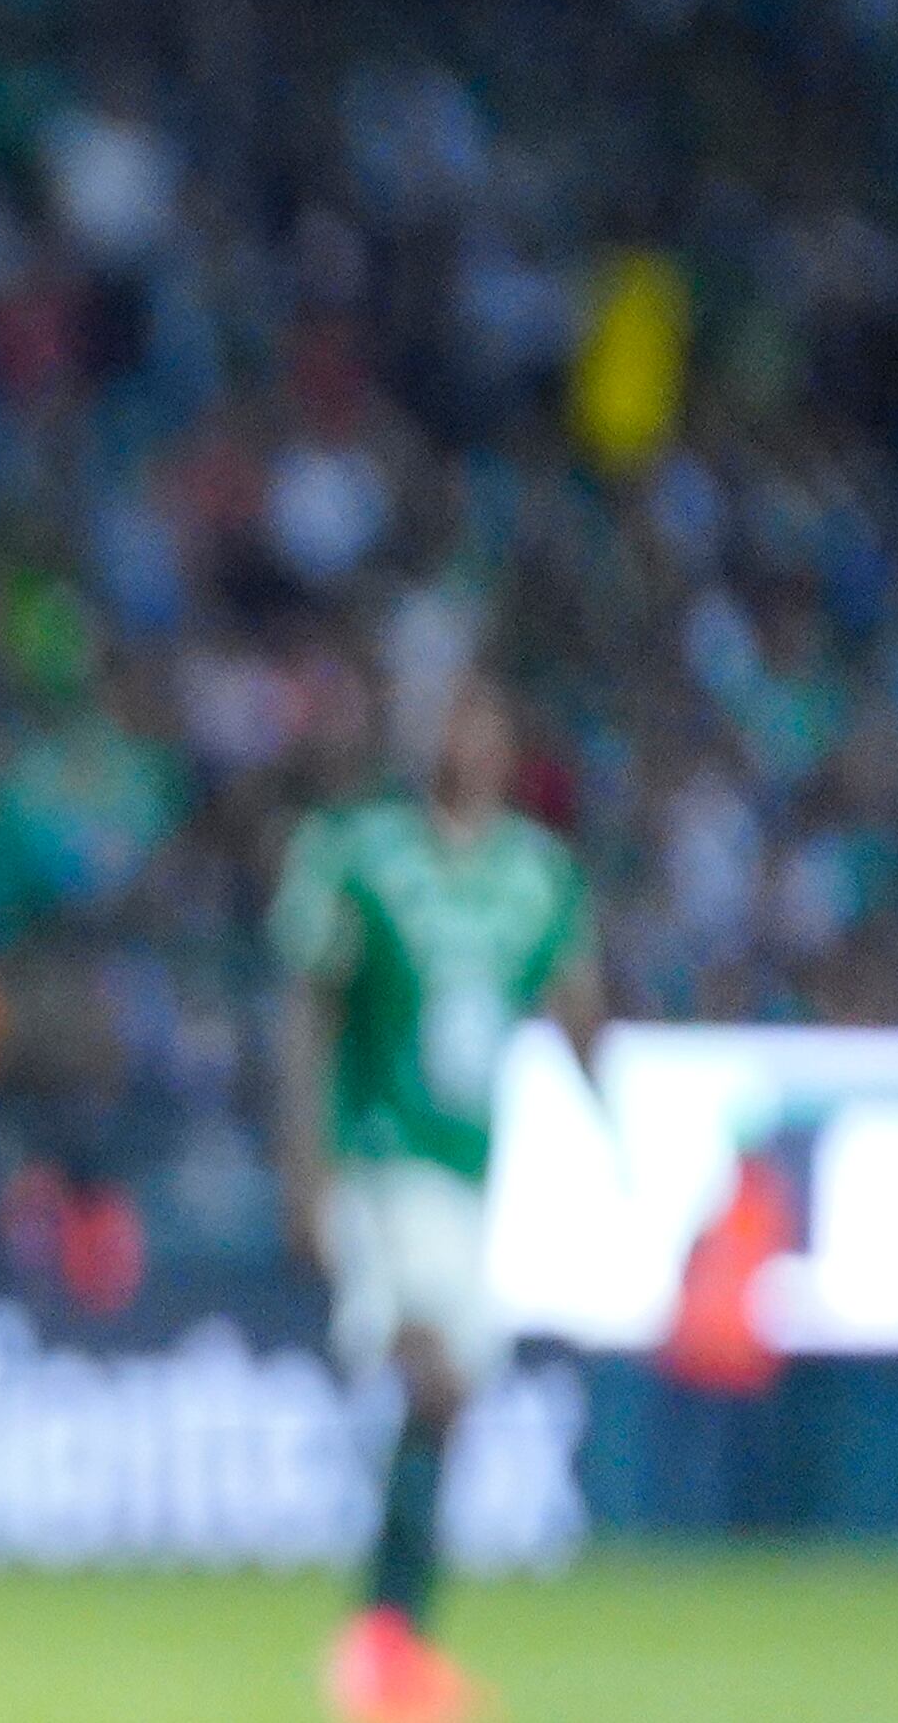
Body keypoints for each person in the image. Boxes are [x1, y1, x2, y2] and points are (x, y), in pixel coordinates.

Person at [271, 668, 603, 1723]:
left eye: (486, 725)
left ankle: (389, 1635)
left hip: (472, 1181)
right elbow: (307, 1010)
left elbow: (578, 1006)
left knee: (447, 1403)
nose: (468, 744)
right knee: (430, 1379)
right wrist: (304, 1165)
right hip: (380, 1159)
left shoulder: (536, 874)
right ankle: (377, 1643)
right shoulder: (359, 853)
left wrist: (612, 1133)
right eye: (452, 724)